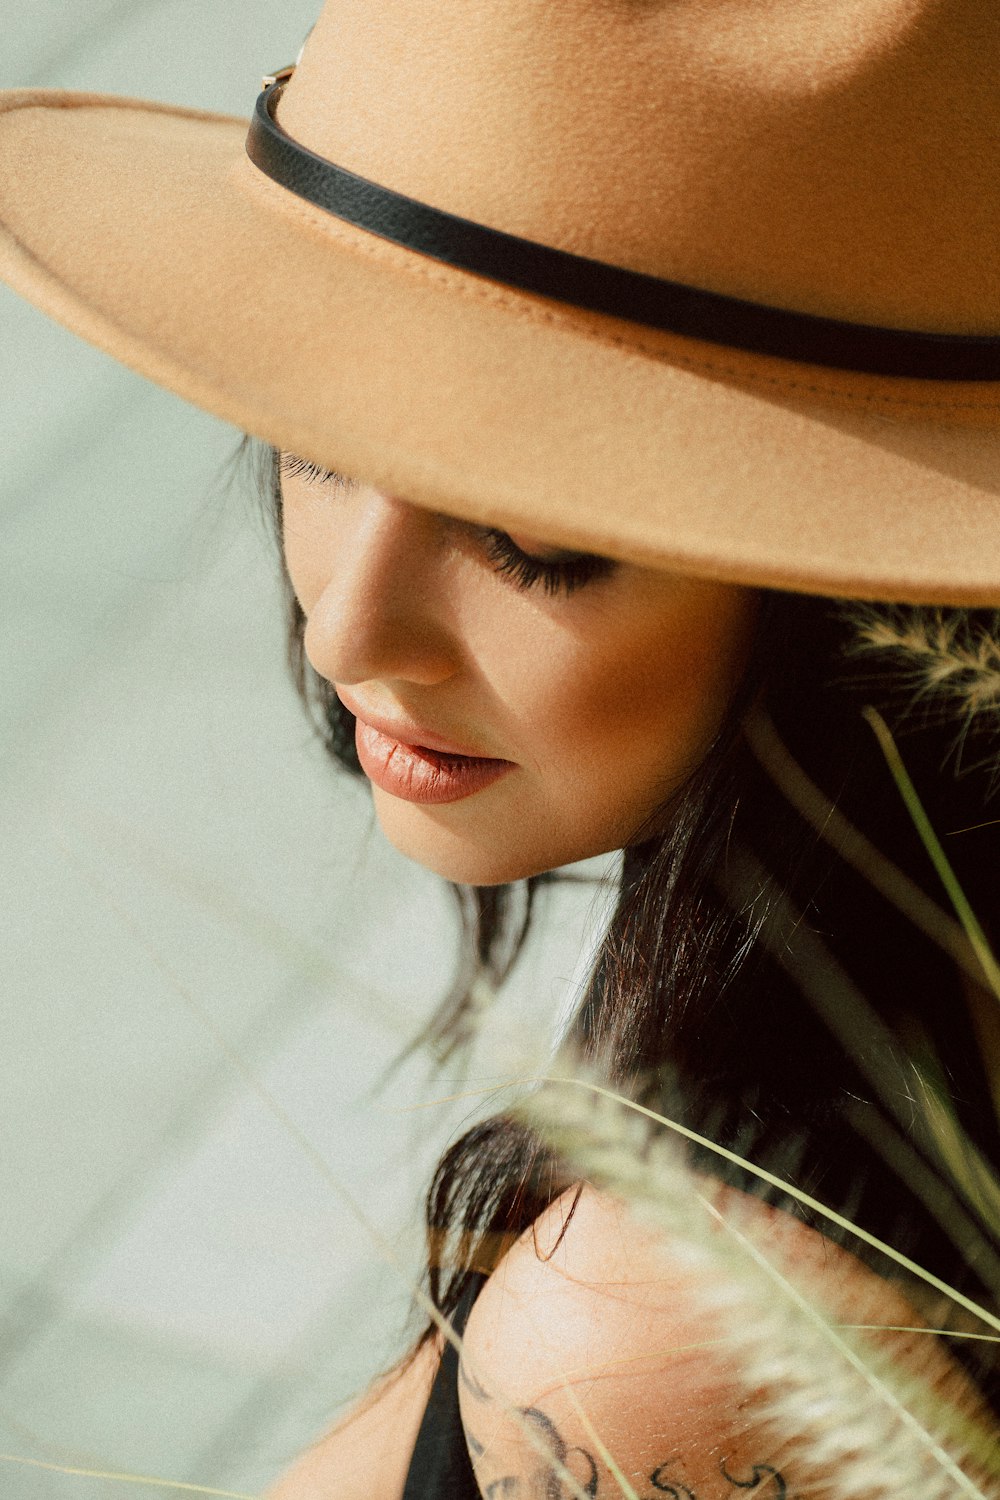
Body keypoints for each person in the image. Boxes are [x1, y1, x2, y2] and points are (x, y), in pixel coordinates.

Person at [1, 2, 997, 1496]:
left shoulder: (662, 1337)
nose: (351, 631)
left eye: (532, 544)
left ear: (851, 593)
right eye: (319, 439)